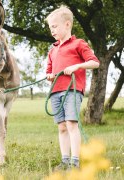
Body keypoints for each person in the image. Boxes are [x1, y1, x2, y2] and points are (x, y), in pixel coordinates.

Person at [45, 6, 100, 170]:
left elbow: (95, 63)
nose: (52, 31)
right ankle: (65, 160)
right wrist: (50, 76)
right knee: (61, 127)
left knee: (71, 124)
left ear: (67, 24)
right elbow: (49, 71)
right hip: (55, 92)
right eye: (50, 28)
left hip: (72, 90)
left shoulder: (78, 43)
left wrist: (76, 67)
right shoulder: (52, 50)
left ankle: (75, 162)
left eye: (54, 27)